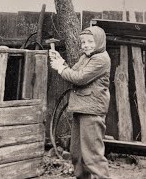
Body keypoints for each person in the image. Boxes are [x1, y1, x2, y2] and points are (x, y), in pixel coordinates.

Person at [49, 26, 111, 179]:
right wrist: (60, 61)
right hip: (81, 108)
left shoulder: (101, 58)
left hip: (92, 111)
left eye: (90, 41)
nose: (86, 45)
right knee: (77, 154)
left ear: (99, 41)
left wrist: (61, 69)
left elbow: (79, 78)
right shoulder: (86, 57)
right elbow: (73, 72)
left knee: (92, 156)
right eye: (83, 42)